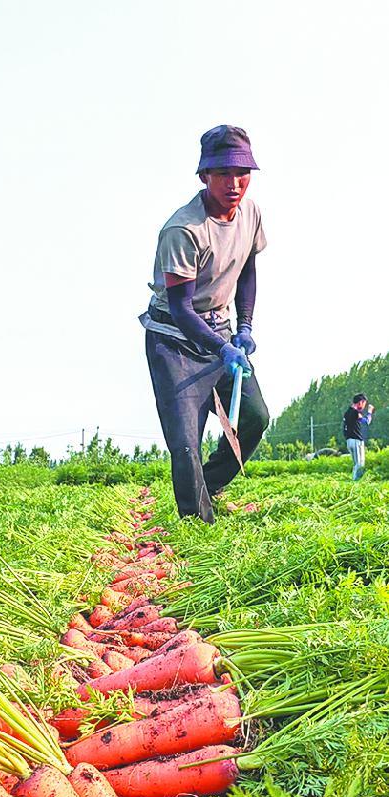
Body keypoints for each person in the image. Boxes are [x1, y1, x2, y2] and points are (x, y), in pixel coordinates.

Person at [140, 124, 269, 524]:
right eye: (224, 174)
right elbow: (180, 308)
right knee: (185, 444)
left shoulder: (250, 213)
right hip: (175, 340)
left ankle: (207, 486)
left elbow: (247, 269)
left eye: (242, 173)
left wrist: (243, 327)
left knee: (254, 417)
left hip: (220, 332)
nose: (234, 183)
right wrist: (222, 346)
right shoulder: (183, 229)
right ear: (204, 176)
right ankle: (196, 526)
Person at [342, 393, 374, 481]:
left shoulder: (347, 412)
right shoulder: (356, 413)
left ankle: (354, 480)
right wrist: (370, 412)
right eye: (364, 404)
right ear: (360, 402)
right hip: (356, 441)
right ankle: (356, 482)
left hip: (349, 441)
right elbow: (366, 421)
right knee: (360, 464)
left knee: (356, 463)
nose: (364, 406)